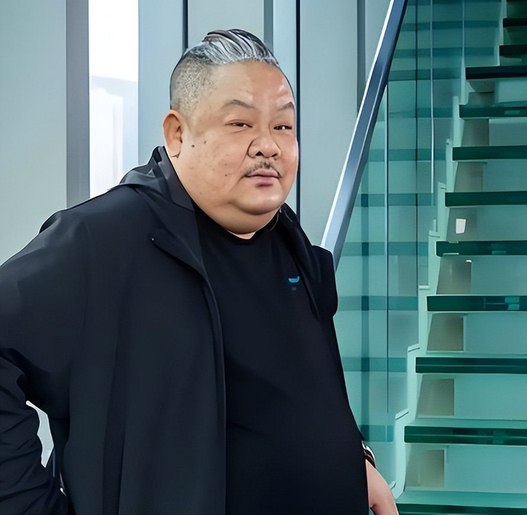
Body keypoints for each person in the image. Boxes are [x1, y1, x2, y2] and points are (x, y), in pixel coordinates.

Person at [0, 29, 398, 515]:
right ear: (177, 134)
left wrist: (354, 456)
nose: (268, 146)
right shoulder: (107, 239)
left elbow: (302, 394)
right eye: (240, 123)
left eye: (283, 126)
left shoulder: (288, 239)